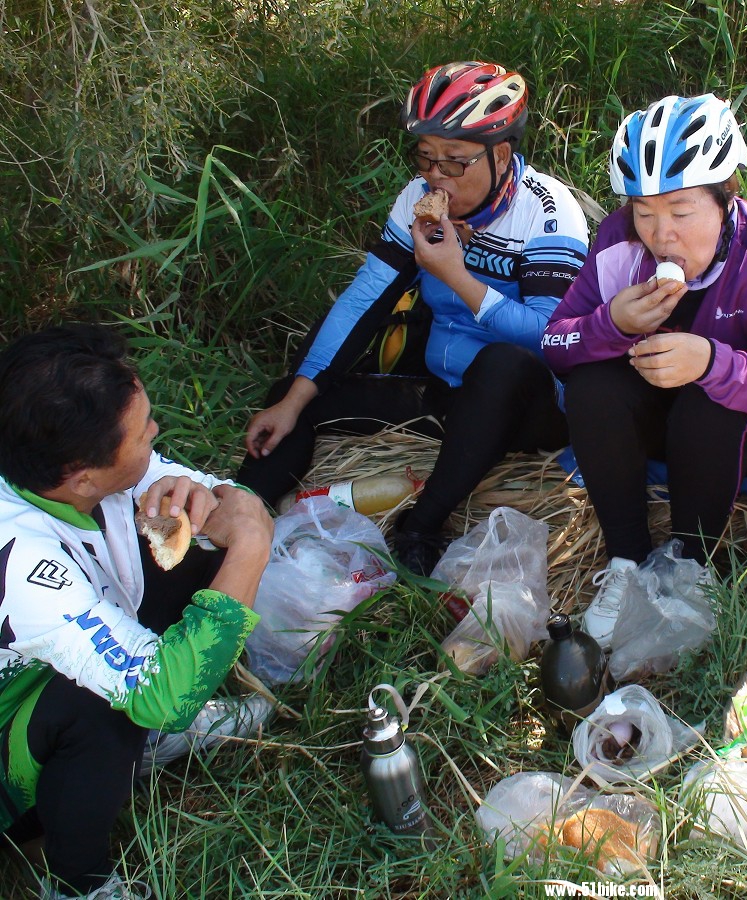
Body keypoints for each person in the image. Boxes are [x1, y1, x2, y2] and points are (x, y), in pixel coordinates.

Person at [237, 61, 589, 574]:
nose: (436, 176)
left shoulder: (548, 211)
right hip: (445, 392)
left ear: (503, 155)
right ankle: (235, 516)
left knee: (503, 363)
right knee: (297, 394)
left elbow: (550, 338)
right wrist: (297, 394)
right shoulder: (415, 200)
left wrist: (458, 277)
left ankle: (421, 526)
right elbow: (364, 300)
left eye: (455, 162)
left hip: (525, 405)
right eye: (426, 158)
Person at [0, 324, 275, 900]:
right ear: (82, 477)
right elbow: (165, 695)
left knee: (193, 555)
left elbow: (224, 498)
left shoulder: (56, 464)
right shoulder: (22, 558)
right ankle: (78, 882)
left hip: (66, 635)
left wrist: (219, 501)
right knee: (102, 707)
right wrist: (251, 545)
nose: (156, 435)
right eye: (145, 436)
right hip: (12, 722)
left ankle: (140, 743)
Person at [543, 94, 747, 649]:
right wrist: (610, 323)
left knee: (711, 401)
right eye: (644, 212)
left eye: (681, 211)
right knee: (593, 386)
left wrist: (714, 363)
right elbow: (555, 346)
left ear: (727, 197)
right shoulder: (618, 241)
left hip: (732, 438)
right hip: (647, 424)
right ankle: (627, 560)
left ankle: (692, 570)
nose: (661, 234)